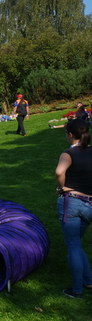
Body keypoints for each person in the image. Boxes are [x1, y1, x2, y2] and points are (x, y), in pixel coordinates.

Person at [55, 118, 92, 298]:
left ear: (70, 135)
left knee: (73, 245)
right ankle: (89, 280)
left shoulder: (68, 153)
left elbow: (59, 172)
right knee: (76, 243)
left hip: (72, 202)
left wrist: (62, 187)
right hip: (89, 205)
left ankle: (76, 289)